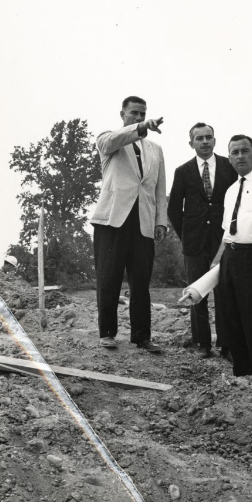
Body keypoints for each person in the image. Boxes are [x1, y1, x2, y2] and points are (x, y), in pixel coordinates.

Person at [90, 95, 167, 353]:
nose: (138, 117)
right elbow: (114, 139)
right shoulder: (108, 141)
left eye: (142, 114)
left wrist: (161, 222)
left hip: (143, 223)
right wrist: (139, 129)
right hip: (112, 221)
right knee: (108, 279)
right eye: (134, 113)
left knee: (141, 283)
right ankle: (107, 333)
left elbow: (159, 189)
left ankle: (142, 336)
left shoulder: (155, 151)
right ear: (122, 114)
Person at [202, 135, 252, 379]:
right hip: (231, 258)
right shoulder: (230, 190)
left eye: (245, 151)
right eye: (234, 152)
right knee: (232, 321)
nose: (239, 156)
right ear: (229, 158)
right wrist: (217, 263)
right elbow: (228, 232)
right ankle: (241, 377)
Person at [168, 122, 238, 358]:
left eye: (209, 137)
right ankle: (202, 344)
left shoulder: (230, 167)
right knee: (196, 293)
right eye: (199, 138)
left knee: (226, 292)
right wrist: (187, 235)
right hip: (194, 243)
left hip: (224, 241)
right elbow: (174, 209)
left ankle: (227, 344)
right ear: (191, 143)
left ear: (215, 141)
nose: (205, 142)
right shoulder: (183, 171)